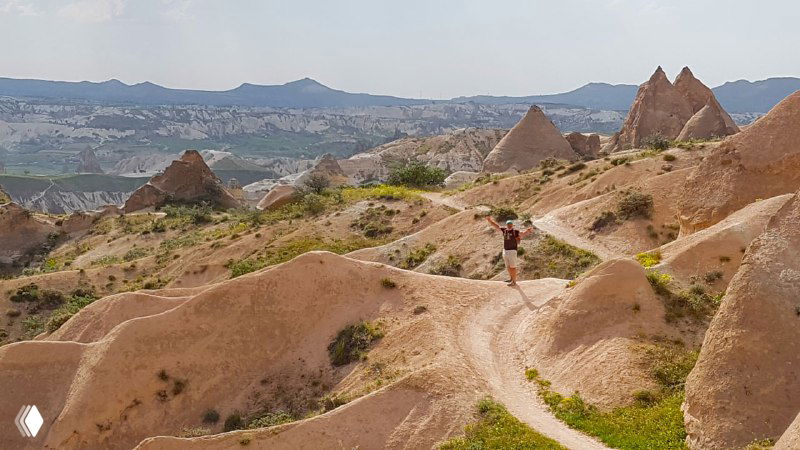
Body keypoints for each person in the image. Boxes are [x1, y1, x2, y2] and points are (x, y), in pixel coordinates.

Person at [486, 216, 534, 286]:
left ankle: (514, 282)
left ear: (512, 225)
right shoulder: (504, 230)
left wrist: (528, 231)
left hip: (512, 251)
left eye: (510, 224)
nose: (509, 225)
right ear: (506, 225)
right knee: (508, 266)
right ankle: (511, 279)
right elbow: (497, 226)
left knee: (513, 267)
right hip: (505, 250)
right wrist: (490, 221)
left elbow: (522, 234)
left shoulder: (515, 231)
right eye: (508, 224)